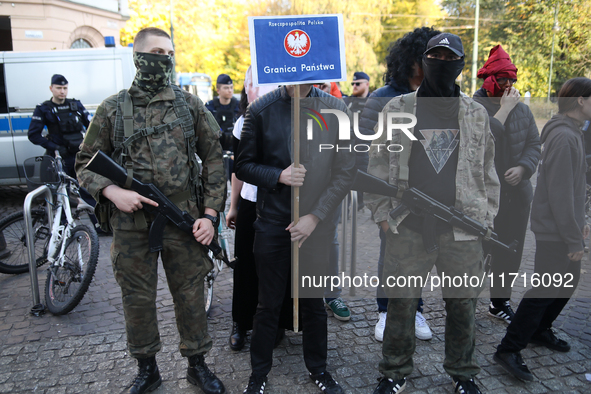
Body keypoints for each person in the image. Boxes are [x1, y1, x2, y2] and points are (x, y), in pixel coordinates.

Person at [75, 27, 227, 394]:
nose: (165, 59)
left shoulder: (189, 105)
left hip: (183, 220)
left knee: (190, 294)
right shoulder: (112, 109)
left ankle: (197, 364)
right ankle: (147, 368)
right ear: (139, 57)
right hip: (131, 223)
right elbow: (83, 162)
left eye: (170, 52)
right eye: (158, 51)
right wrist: (112, 191)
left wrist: (209, 215)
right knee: (137, 297)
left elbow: (214, 158)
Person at [366, 33, 499, 394]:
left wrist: (485, 220)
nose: (441, 62)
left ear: (459, 65)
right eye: (434, 56)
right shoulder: (397, 109)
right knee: (401, 305)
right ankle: (394, 371)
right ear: (423, 62)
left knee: (462, 307)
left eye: (448, 57)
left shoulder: (475, 113)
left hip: (463, 228)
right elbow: (376, 164)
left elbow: (488, 172)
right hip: (406, 225)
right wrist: (381, 214)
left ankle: (463, 373)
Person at [235, 84, 355, 394]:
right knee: (268, 304)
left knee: (314, 304)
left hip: (315, 228)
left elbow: (345, 172)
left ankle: (318, 369)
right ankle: (258, 375)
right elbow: (243, 165)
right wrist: (278, 175)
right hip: (273, 224)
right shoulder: (260, 110)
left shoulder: (336, 109)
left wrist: (314, 216)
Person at [493, 77, 591, 382]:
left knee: (567, 281)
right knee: (546, 287)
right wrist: (573, 236)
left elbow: (573, 190)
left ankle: (539, 330)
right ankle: (509, 348)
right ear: (580, 101)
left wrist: (580, 221)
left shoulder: (572, 133)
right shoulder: (564, 137)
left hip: (564, 226)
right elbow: (561, 194)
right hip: (554, 230)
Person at [359, 27, 440, 343]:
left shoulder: (440, 95)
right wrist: (379, 206)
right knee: (390, 253)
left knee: (421, 252)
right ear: (412, 61)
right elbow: (366, 152)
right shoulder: (381, 99)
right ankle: (385, 311)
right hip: (392, 196)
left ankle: (414, 307)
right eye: (429, 58)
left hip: (430, 196)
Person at [473, 45, 541, 323]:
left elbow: (534, 145)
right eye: (503, 80)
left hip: (515, 196)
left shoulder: (523, 111)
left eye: (512, 80)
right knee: (476, 252)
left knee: (509, 253)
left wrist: (524, 168)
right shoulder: (472, 106)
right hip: (482, 197)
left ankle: (499, 302)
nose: (509, 86)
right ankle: (462, 302)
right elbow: (478, 142)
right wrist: (504, 109)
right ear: (490, 79)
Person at [226, 67, 285, 351]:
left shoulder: (286, 116)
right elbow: (238, 169)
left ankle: (276, 323)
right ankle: (241, 323)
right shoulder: (243, 122)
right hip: (251, 201)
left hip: (280, 201)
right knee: (246, 264)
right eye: (251, 83)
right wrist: (233, 206)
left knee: (276, 266)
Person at [28, 74, 96, 211]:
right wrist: (54, 147)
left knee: (88, 189)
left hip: (79, 155)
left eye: (65, 88)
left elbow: (92, 126)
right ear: (51, 88)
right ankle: (63, 225)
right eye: (59, 88)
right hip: (59, 157)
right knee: (61, 193)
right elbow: (33, 135)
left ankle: (99, 226)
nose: (62, 91)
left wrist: (88, 146)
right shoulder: (44, 108)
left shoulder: (75, 105)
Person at [205, 74, 239, 153]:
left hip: (235, 148)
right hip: (216, 149)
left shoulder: (239, 106)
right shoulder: (210, 107)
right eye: (226, 88)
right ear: (218, 90)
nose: (230, 90)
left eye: (231, 87)